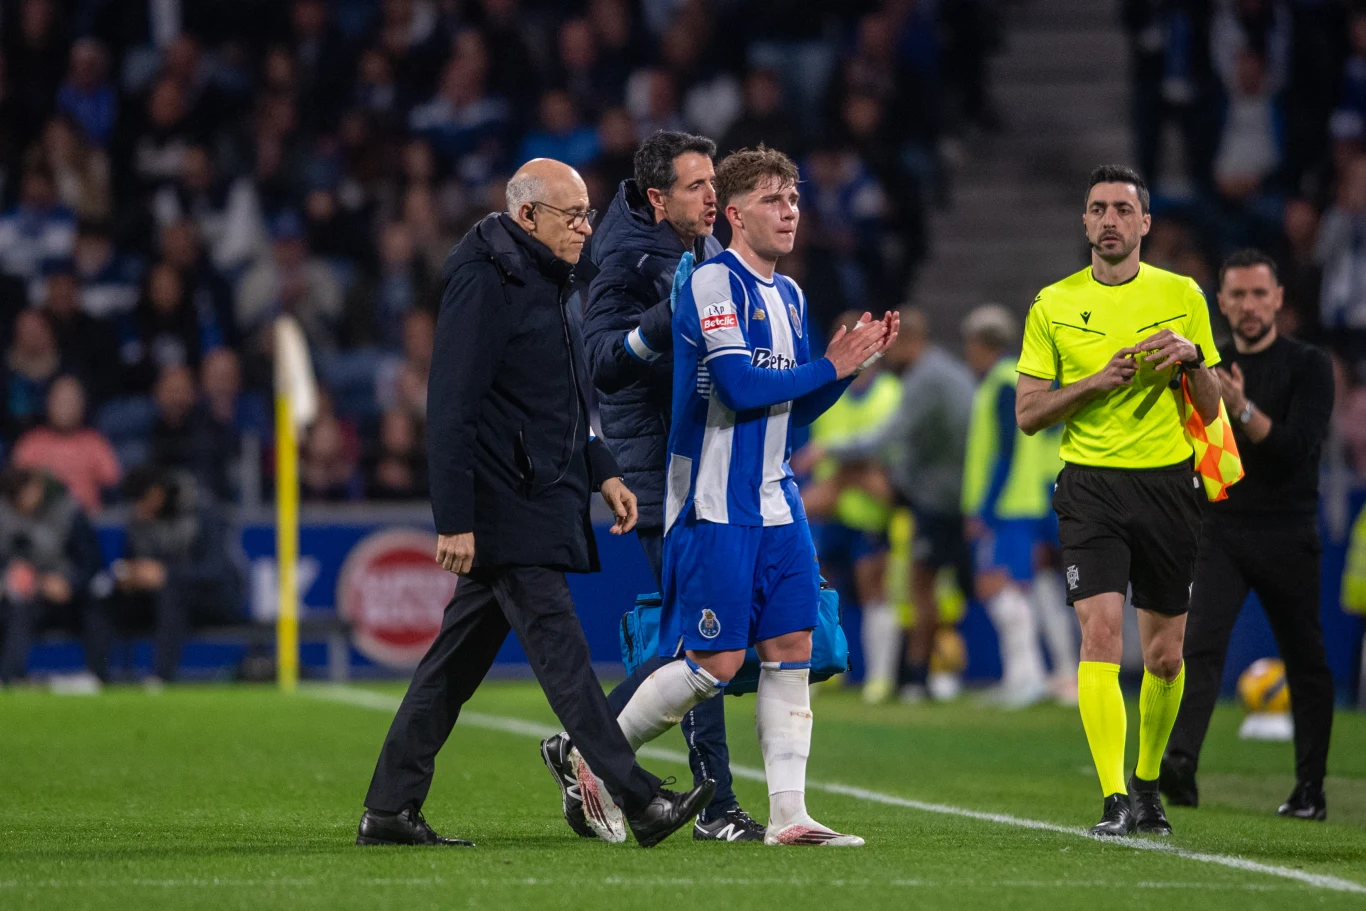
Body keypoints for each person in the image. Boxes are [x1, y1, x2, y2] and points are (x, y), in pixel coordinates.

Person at [357, 158, 713, 850]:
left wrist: (600, 469)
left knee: (451, 668)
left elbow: (561, 403)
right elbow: (451, 403)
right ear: (528, 217)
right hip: (503, 506)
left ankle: (389, 807)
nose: (587, 226)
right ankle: (638, 799)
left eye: (587, 213)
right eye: (573, 215)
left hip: (534, 495)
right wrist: (453, 516)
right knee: (566, 659)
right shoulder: (486, 278)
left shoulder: (550, 280)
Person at [579, 146, 897, 847]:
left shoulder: (790, 295)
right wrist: (830, 363)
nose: (790, 212)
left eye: (795, 199)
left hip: (778, 503)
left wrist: (847, 369)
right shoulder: (712, 285)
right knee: (712, 666)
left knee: (792, 646)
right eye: (774, 200)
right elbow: (740, 388)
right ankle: (592, 757)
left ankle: (791, 814)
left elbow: (794, 410)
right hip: (715, 503)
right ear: (734, 214)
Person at [542, 130, 759, 842]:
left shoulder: (684, 246)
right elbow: (602, 359)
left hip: (699, 464)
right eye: (698, 187)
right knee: (705, 640)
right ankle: (717, 805)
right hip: (662, 473)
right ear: (659, 197)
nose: (713, 197)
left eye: (714, 184)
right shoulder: (626, 257)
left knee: (704, 638)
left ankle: (584, 746)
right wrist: (671, 316)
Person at [1015, 165, 1222, 836]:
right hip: (1091, 486)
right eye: (1097, 208)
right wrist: (1097, 382)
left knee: (1164, 654)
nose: (1109, 219)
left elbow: (1214, 407)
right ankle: (1112, 798)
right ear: (1084, 223)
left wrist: (1193, 358)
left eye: (1122, 209)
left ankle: (1150, 784)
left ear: (1144, 224)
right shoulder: (1053, 303)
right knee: (1099, 638)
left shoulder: (1183, 293)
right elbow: (1028, 414)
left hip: (1167, 482)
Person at [1161, 250, 1336, 821]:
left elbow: (1296, 450)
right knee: (1199, 650)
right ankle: (1179, 768)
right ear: (1221, 301)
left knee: (1305, 660)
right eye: (1236, 294)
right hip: (1223, 527)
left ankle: (1310, 789)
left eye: (1260, 294)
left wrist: (1241, 409)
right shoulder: (1209, 365)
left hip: (1288, 531)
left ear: (1280, 298)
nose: (1248, 305)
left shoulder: (1308, 365)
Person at [812, 308, 976, 702]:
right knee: (912, 586)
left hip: (923, 500)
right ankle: (906, 676)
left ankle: (914, 676)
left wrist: (832, 455)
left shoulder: (905, 385)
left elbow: (890, 441)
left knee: (922, 587)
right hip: (867, 505)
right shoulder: (832, 385)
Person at [960, 304, 1056, 709]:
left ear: (981, 344)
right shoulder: (1006, 380)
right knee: (1008, 590)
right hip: (1015, 503)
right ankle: (1024, 676)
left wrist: (985, 507)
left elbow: (1005, 449)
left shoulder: (1001, 383)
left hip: (1008, 506)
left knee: (1003, 590)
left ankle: (1027, 677)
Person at [92, 468, 242, 683]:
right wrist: (131, 578)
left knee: (170, 594)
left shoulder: (203, 513)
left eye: (142, 500)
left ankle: (160, 677)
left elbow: (215, 570)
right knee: (103, 597)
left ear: (157, 493)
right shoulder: (139, 520)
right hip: (157, 601)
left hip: (212, 598)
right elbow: (134, 562)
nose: (139, 508)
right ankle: (96, 676)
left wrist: (166, 574)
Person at [0, 468, 103, 684]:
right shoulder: (4, 513)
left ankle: (99, 676)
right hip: (19, 597)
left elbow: (91, 561)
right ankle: (10, 679)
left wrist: (71, 584)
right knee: (17, 610)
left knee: (98, 606)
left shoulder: (68, 511)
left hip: (66, 593)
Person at [11, 374, 121, 514]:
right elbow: (16, 490)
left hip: (87, 522)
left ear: (82, 405)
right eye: (60, 401)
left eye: (71, 401)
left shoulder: (95, 443)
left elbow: (112, 486)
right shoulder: (31, 442)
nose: (65, 408)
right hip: (41, 521)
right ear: (48, 402)